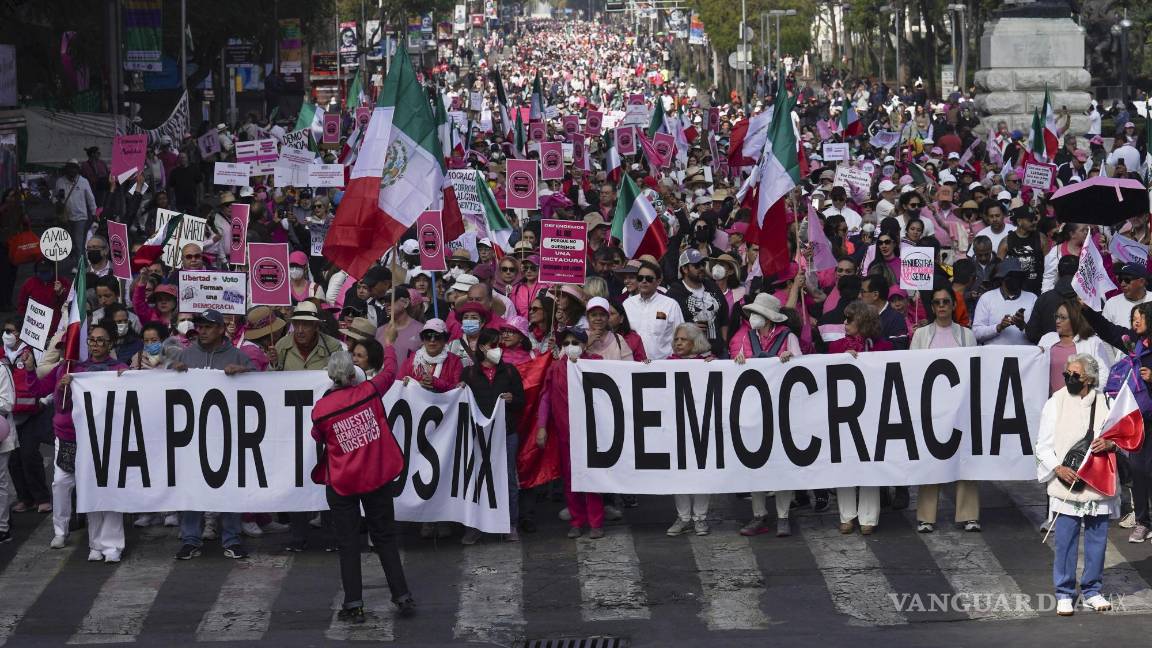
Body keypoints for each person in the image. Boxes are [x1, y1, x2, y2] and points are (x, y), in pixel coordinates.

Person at [312, 350, 415, 622]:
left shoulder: (321, 410)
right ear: (351, 375)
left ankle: (354, 604)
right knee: (384, 538)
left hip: (342, 482)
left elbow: (318, 436)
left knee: (348, 544)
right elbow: (390, 372)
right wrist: (390, 345)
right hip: (376, 477)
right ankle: (402, 597)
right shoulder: (369, 392)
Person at [24, 324, 128, 559]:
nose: (96, 344)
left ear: (110, 344)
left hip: (103, 439)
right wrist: (33, 371)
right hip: (69, 436)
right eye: (92, 340)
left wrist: (126, 379)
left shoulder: (119, 369)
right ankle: (66, 532)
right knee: (61, 483)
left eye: (101, 340)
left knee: (101, 487)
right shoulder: (71, 368)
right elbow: (39, 389)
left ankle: (106, 544)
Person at [1034, 353, 1117, 616]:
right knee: (1066, 541)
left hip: (1097, 484)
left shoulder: (1107, 402)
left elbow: (1122, 440)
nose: (1069, 379)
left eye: (1075, 375)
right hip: (1066, 483)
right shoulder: (1055, 402)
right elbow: (1042, 445)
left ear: (1090, 379)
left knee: (1097, 541)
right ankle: (1065, 592)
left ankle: (1092, 590)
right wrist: (1058, 468)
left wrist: (1111, 444)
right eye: (1066, 374)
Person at [169, 309, 255, 559]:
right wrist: (172, 371)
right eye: (200, 326)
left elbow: (262, 388)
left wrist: (243, 372)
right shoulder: (187, 354)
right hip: (193, 434)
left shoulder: (238, 355)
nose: (202, 331)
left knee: (229, 486)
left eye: (208, 327)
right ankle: (190, 539)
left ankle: (232, 538)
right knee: (192, 486)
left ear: (220, 329)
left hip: (227, 435)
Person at [1079, 301, 1152, 544]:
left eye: (1140, 317)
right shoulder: (1133, 341)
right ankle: (1143, 521)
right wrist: (1086, 310)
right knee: (1139, 471)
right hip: (1139, 419)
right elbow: (1108, 330)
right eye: (1134, 318)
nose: (1136, 322)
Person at [910, 287, 981, 533]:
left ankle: (969, 515)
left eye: (946, 302)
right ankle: (926, 517)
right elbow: (912, 369)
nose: (941, 306)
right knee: (931, 460)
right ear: (932, 307)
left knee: (966, 460)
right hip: (931, 409)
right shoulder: (921, 335)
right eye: (937, 302)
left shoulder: (966, 335)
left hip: (960, 407)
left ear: (953, 305)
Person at [731, 294, 801, 537]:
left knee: (781, 464)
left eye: (757, 313)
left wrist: (790, 360)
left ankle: (783, 516)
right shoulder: (746, 338)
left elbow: (802, 369)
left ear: (769, 317)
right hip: (754, 410)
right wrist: (738, 361)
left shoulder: (787, 337)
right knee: (756, 463)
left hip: (782, 410)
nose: (753, 318)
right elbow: (736, 366)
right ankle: (758, 514)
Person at [536, 327, 605, 539]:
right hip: (565, 433)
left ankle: (596, 522)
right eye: (565, 343)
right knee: (570, 478)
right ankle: (577, 521)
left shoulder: (597, 364)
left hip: (593, 433)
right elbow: (546, 398)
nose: (570, 347)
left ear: (584, 345)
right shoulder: (555, 368)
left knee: (592, 477)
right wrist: (541, 427)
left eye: (575, 342)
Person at [459, 328, 525, 544]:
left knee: (508, 479)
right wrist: (459, 390)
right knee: (475, 480)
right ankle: (475, 526)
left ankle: (509, 524)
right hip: (478, 436)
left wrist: (512, 399)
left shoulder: (510, 372)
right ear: (482, 348)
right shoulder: (468, 374)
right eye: (493, 345)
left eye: (499, 345)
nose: (498, 350)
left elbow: (521, 402)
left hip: (505, 433)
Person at [665, 323, 714, 537]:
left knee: (702, 473)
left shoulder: (708, 363)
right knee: (679, 473)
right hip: (676, 427)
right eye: (676, 339)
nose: (678, 343)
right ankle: (683, 517)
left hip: (703, 426)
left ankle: (700, 518)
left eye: (683, 339)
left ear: (695, 342)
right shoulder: (666, 364)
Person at [1037, 301, 1113, 396]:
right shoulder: (1047, 339)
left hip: (1082, 402)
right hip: (1053, 404)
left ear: (1075, 319)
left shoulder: (1092, 341)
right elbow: (1036, 373)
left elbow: (1104, 374)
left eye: (1063, 318)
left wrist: (1089, 395)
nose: (1057, 321)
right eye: (1056, 316)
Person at [623, 261, 685, 360]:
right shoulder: (627, 304)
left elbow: (681, 337)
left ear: (659, 281)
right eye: (640, 278)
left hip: (662, 366)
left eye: (649, 278)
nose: (644, 281)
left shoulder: (670, 305)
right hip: (633, 365)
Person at [972, 258, 1036, 346]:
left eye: (1018, 276)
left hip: (1025, 358)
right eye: (1011, 276)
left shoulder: (1032, 298)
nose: (1015, 279)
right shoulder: (987, 298)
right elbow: (976, 333)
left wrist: (1023, 326)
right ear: (1002, 278)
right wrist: (999, 327)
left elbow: (1039, 333)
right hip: (995, 357)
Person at [55, 159, 97, 260]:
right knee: (71, 242)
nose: (72, 171)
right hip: (65, 218)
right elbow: (54, 197)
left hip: (80, 217)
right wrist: (57, 202)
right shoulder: (60, 181)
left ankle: (80, 266)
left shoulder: (83, 181)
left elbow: (90, 198)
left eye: (74, 168)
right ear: (66, 169)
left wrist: (94, 213)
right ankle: (80, 262)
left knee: (79, 243)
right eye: (70, 168)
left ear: (77, 170)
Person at [1103, 262, 1152, 328]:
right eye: (1120, 279)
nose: (1122, 284)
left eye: (1127, 279)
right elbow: (1105, 333)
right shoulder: (1111, 304)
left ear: (1141, 282)